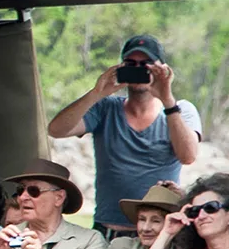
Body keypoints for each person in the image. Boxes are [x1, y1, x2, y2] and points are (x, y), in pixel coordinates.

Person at [47, 34, 202, 237]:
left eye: (146, 64)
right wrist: (97, 92)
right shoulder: (105, 108)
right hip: (110, 229)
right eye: (131, 64)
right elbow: (57, 130)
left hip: (161, 231)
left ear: (162, 69)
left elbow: (188, 156)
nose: (138, 69)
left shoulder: (181, 110)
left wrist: (167, 99)